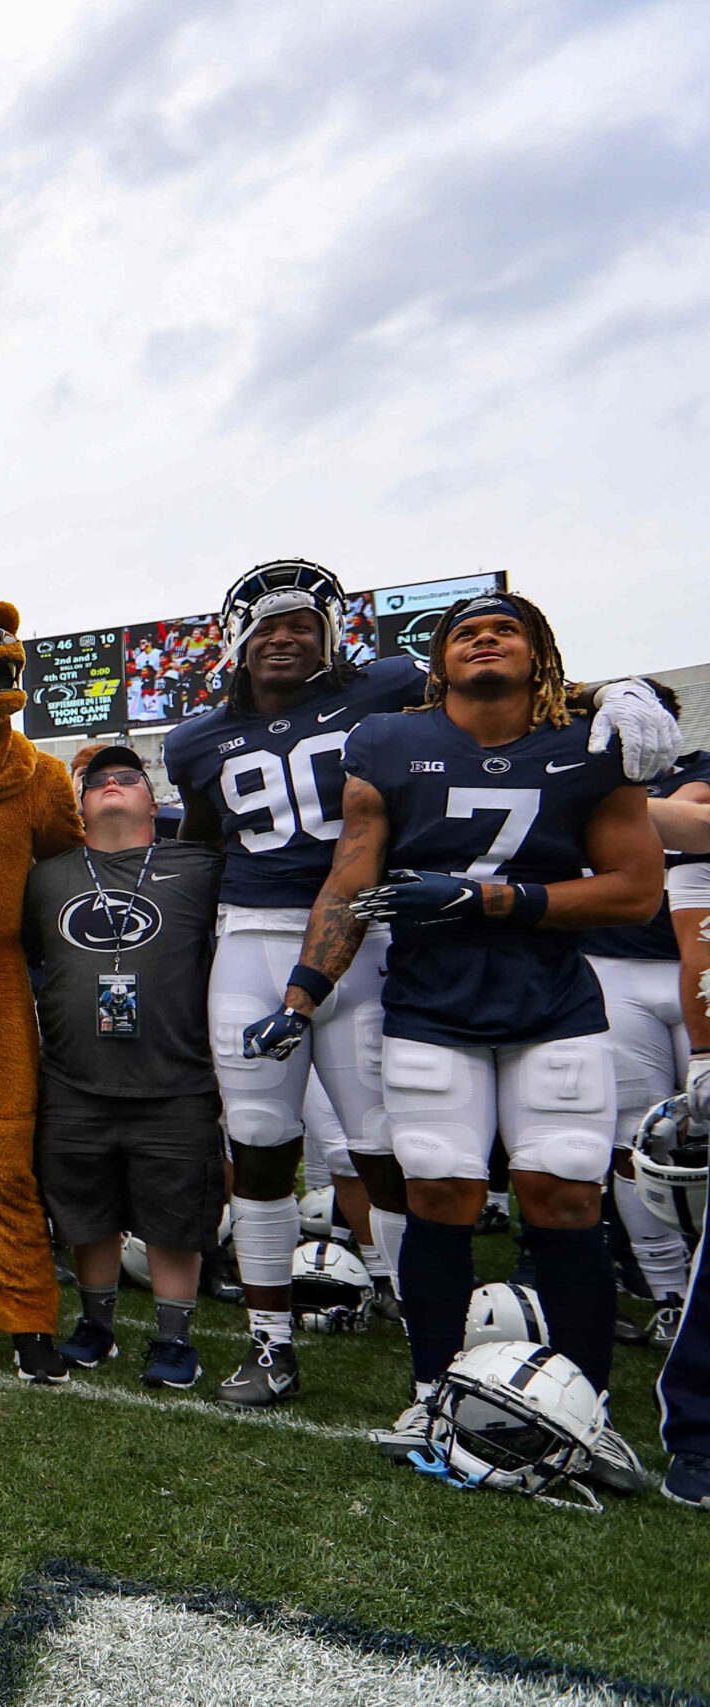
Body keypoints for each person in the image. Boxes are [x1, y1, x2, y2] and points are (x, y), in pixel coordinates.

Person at [176, 560, 680, 1408]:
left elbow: (518, 687)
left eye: (303, 624)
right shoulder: (195, 741)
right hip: (255, 937)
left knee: (398, 1147)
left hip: (372, 928)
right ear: (235, 639)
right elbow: (202, 847)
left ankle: (422, 1327)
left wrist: (619, 692)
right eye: (269, 626)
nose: (287, 637)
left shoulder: (389, 686)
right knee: (258, 1139)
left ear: (333, 635)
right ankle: (270, 1342)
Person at [24, 744, 225, 1388]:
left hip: (174, 1075)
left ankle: (174, 1338)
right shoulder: (46, 875)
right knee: (86, 1211)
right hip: (73, 1074)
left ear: (152, 794)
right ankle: (97, 1325)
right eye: (98, 779)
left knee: (173, 1216)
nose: (112, 785)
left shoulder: (197, 865)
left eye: (127, 776)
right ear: (80, 801)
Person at [583, 721, 710, 1346]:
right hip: (612, 968)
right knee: (633, 1137)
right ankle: (668, 1293)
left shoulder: (696, 771)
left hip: (699, 962)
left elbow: (694, 818)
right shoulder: (577, 770)